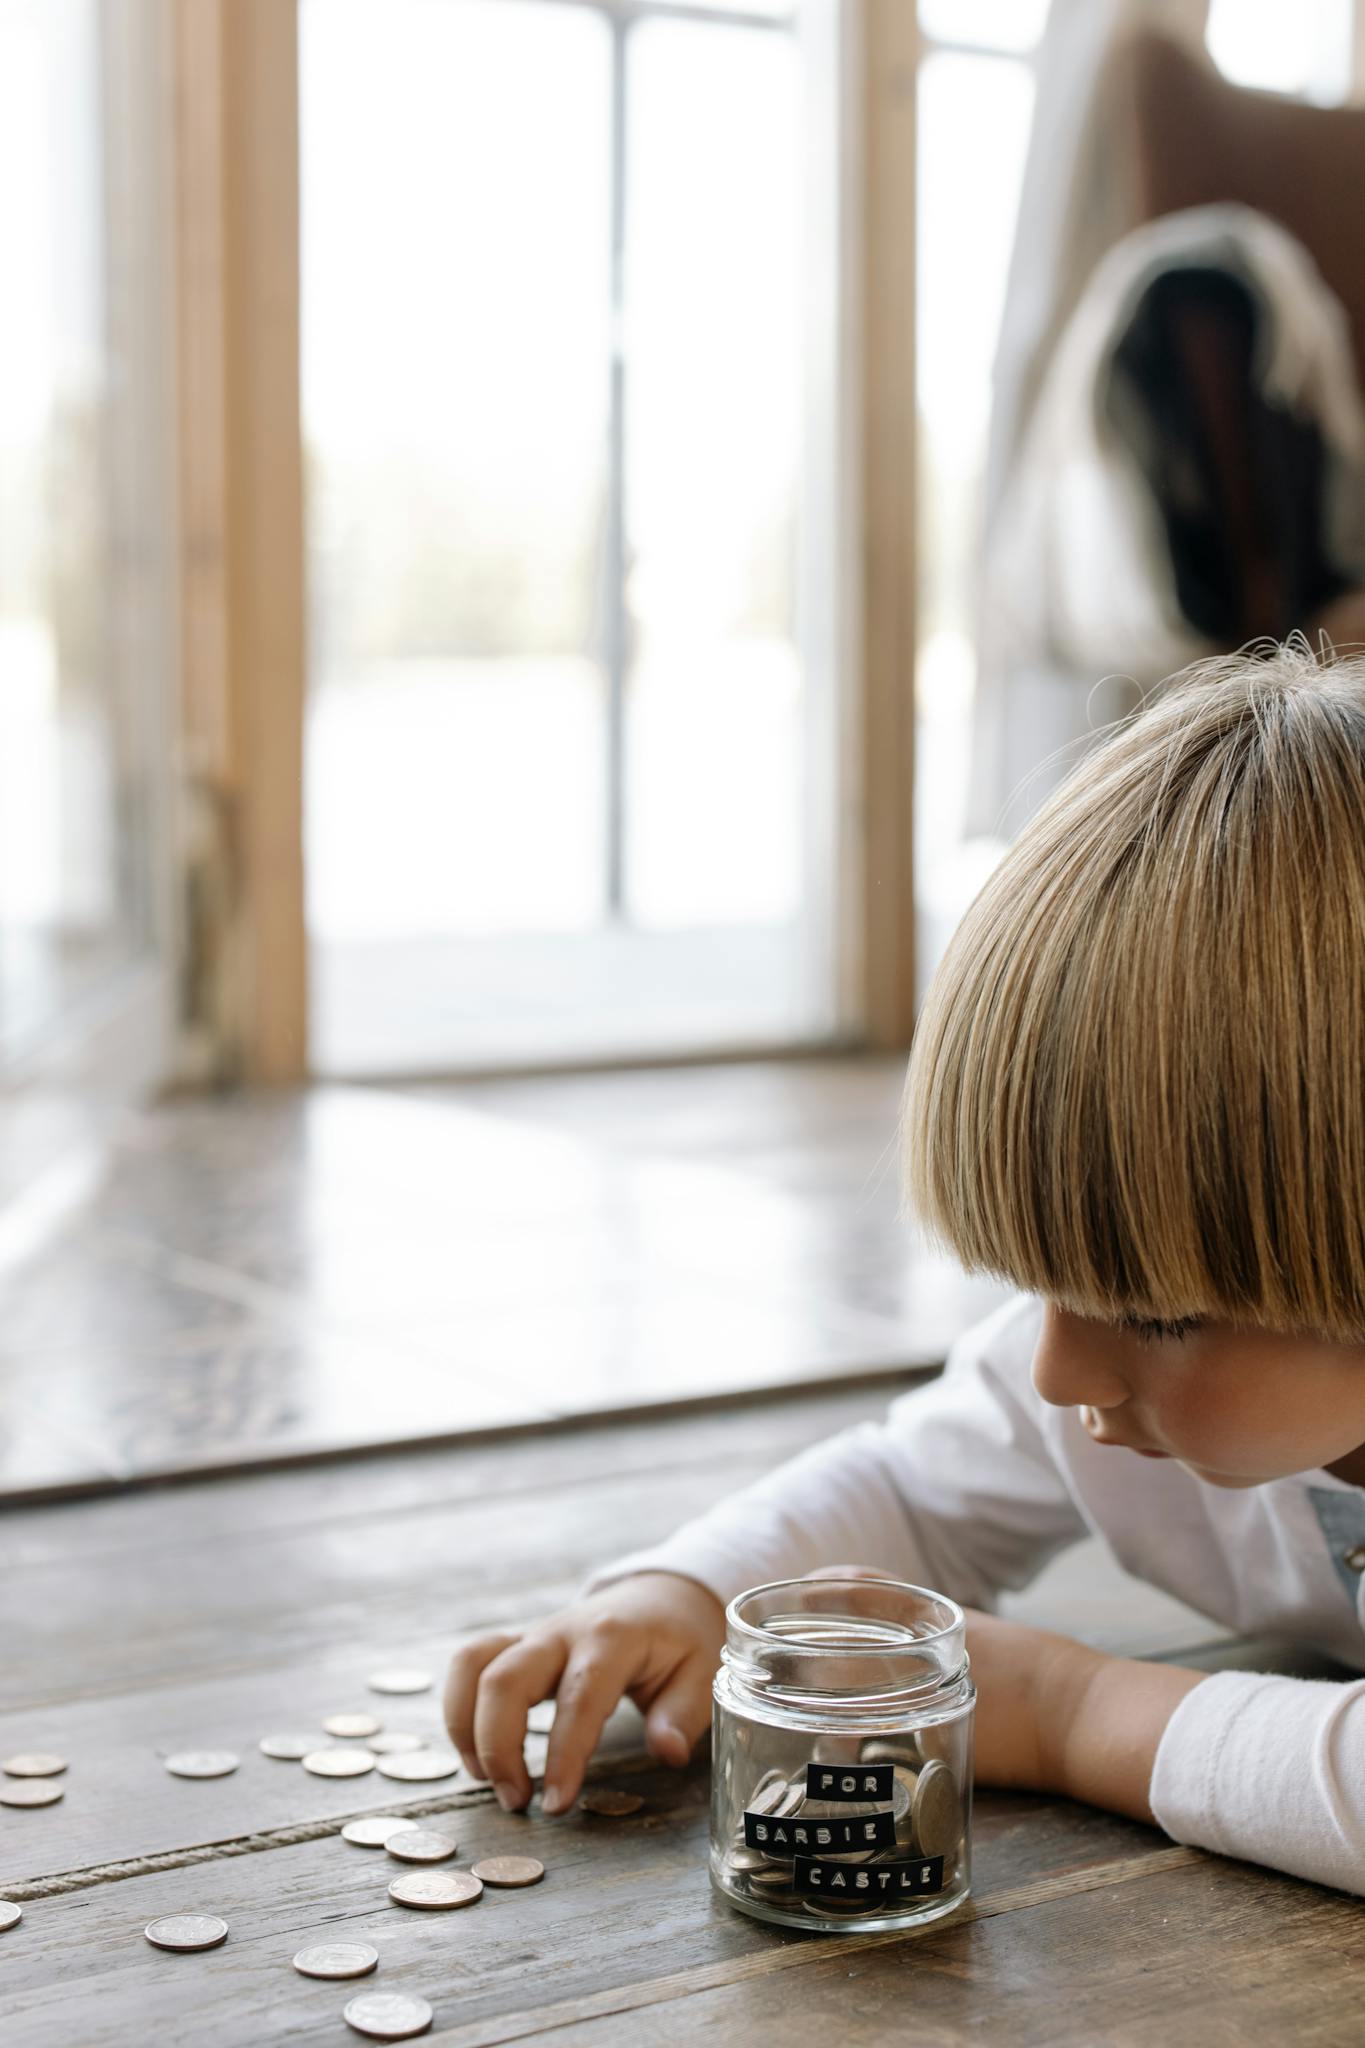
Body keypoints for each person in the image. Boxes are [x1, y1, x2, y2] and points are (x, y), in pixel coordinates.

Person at [446, 639, 1365, 1899]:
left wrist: (1072, 1701)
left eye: (1152, 1311)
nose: (1055, 1369)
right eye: (1037, 1278)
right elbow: (910, 1489)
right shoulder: (1098, 1385)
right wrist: (694, 1588)